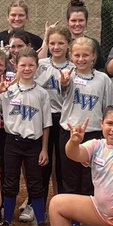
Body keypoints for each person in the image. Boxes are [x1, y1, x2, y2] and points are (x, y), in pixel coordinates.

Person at [0, 46, 52, 226]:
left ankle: (42, 222)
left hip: (34, 143)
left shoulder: (42, 93)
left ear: (37, 67)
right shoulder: (8, 90)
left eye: (31, 65)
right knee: (10, 183)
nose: (27, 69)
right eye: (23, 65)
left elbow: (46, 124)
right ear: (15, 65)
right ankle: (6, 222)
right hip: (12, 141)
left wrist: (44, 149)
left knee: (35, 184)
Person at [55, 37, 113, 226]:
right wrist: (64, 81)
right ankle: (73, 223)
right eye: (77, 55)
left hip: (93, 134)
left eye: (85, 55)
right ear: (71, 56)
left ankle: (87, 223)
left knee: (89, 181)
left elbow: (110, 107)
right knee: (69, 179)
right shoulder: (67, 75)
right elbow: (62, 89)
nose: (81, 59)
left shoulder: (103, 79)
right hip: (70, 133)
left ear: (93, 57)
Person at [37, 26, 74, 198]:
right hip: (42, 118)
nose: (56, 47)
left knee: (63, 164)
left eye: (61, 43)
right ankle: (36, 203)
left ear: (68, 44)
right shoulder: (40, 64)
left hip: (63, 118)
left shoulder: (74, 68)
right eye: (52, 43)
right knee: (42, 163)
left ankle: (63, 202)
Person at [64, 0, 104, 70]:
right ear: (67, 22)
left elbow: (100, 68)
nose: (77, 24)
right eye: (73, 20)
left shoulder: (93, 43)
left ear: (86, 22)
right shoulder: (62, 43)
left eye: (81, 20)